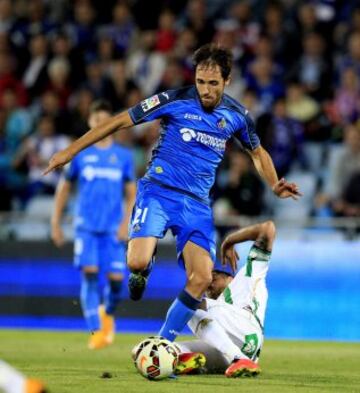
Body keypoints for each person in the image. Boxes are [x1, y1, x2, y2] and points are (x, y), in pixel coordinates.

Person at [44, 44, 301, 346]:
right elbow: (118, 121)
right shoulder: (173, 99)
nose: (205, 90)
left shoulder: (237, 115)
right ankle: (145, 266)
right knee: (136, 263)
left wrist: (273, 183)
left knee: (202, 278)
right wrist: (70, 151)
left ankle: (162, 343)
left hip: (196, 205)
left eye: (213, 83)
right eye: (200, 82)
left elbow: (257, 153)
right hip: (158, 192)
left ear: (227, 81)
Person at [51, 100, 136, 349]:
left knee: (118, 279)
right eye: (96, 120)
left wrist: (126, 223)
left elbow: (132, 193)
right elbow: (64, 188)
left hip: (113, 228)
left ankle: (106, 314)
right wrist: (55, 222)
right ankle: (95, 331)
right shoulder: (81, 154)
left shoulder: (123, 156)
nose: (100, 124)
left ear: (112, 124)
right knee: (89, 273)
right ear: (90, 122)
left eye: (104, 120)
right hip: (86, 226)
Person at [176, 220, 275, 377]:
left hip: (247, 331)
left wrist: (230, 241)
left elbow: (268, 228)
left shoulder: (247, 276)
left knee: (191, 305)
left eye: (213, 278)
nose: (208, 285)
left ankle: (239, 359)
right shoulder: (217, 305)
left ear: (227, 273)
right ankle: (230, 362)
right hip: (227, 347)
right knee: (174, 351)